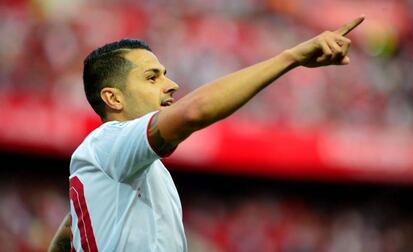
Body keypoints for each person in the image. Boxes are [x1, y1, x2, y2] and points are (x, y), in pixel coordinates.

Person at [48, 16, 365, 252]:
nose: (171, 85)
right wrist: (291, 58)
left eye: (165, 75)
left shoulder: (126, 165)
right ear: (114, 98)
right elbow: (194, 111)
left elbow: (69, 232)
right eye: (151, 77)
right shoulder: (109, 142)